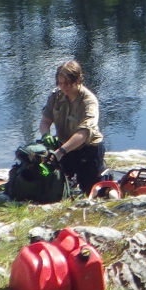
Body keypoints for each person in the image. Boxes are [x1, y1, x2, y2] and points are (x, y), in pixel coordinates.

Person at [37, 60, 106, 195]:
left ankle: (102, 174)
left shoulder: (88, 101)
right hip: (65, 148)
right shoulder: (56, 96)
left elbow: (84, 133)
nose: (63, 87)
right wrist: (46, 135)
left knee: (89, 190)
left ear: (78, 80)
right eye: (60, 83)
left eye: (67, 83)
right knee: (52, 182)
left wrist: (61, 152)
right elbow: (45, 120)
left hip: (87, 149)